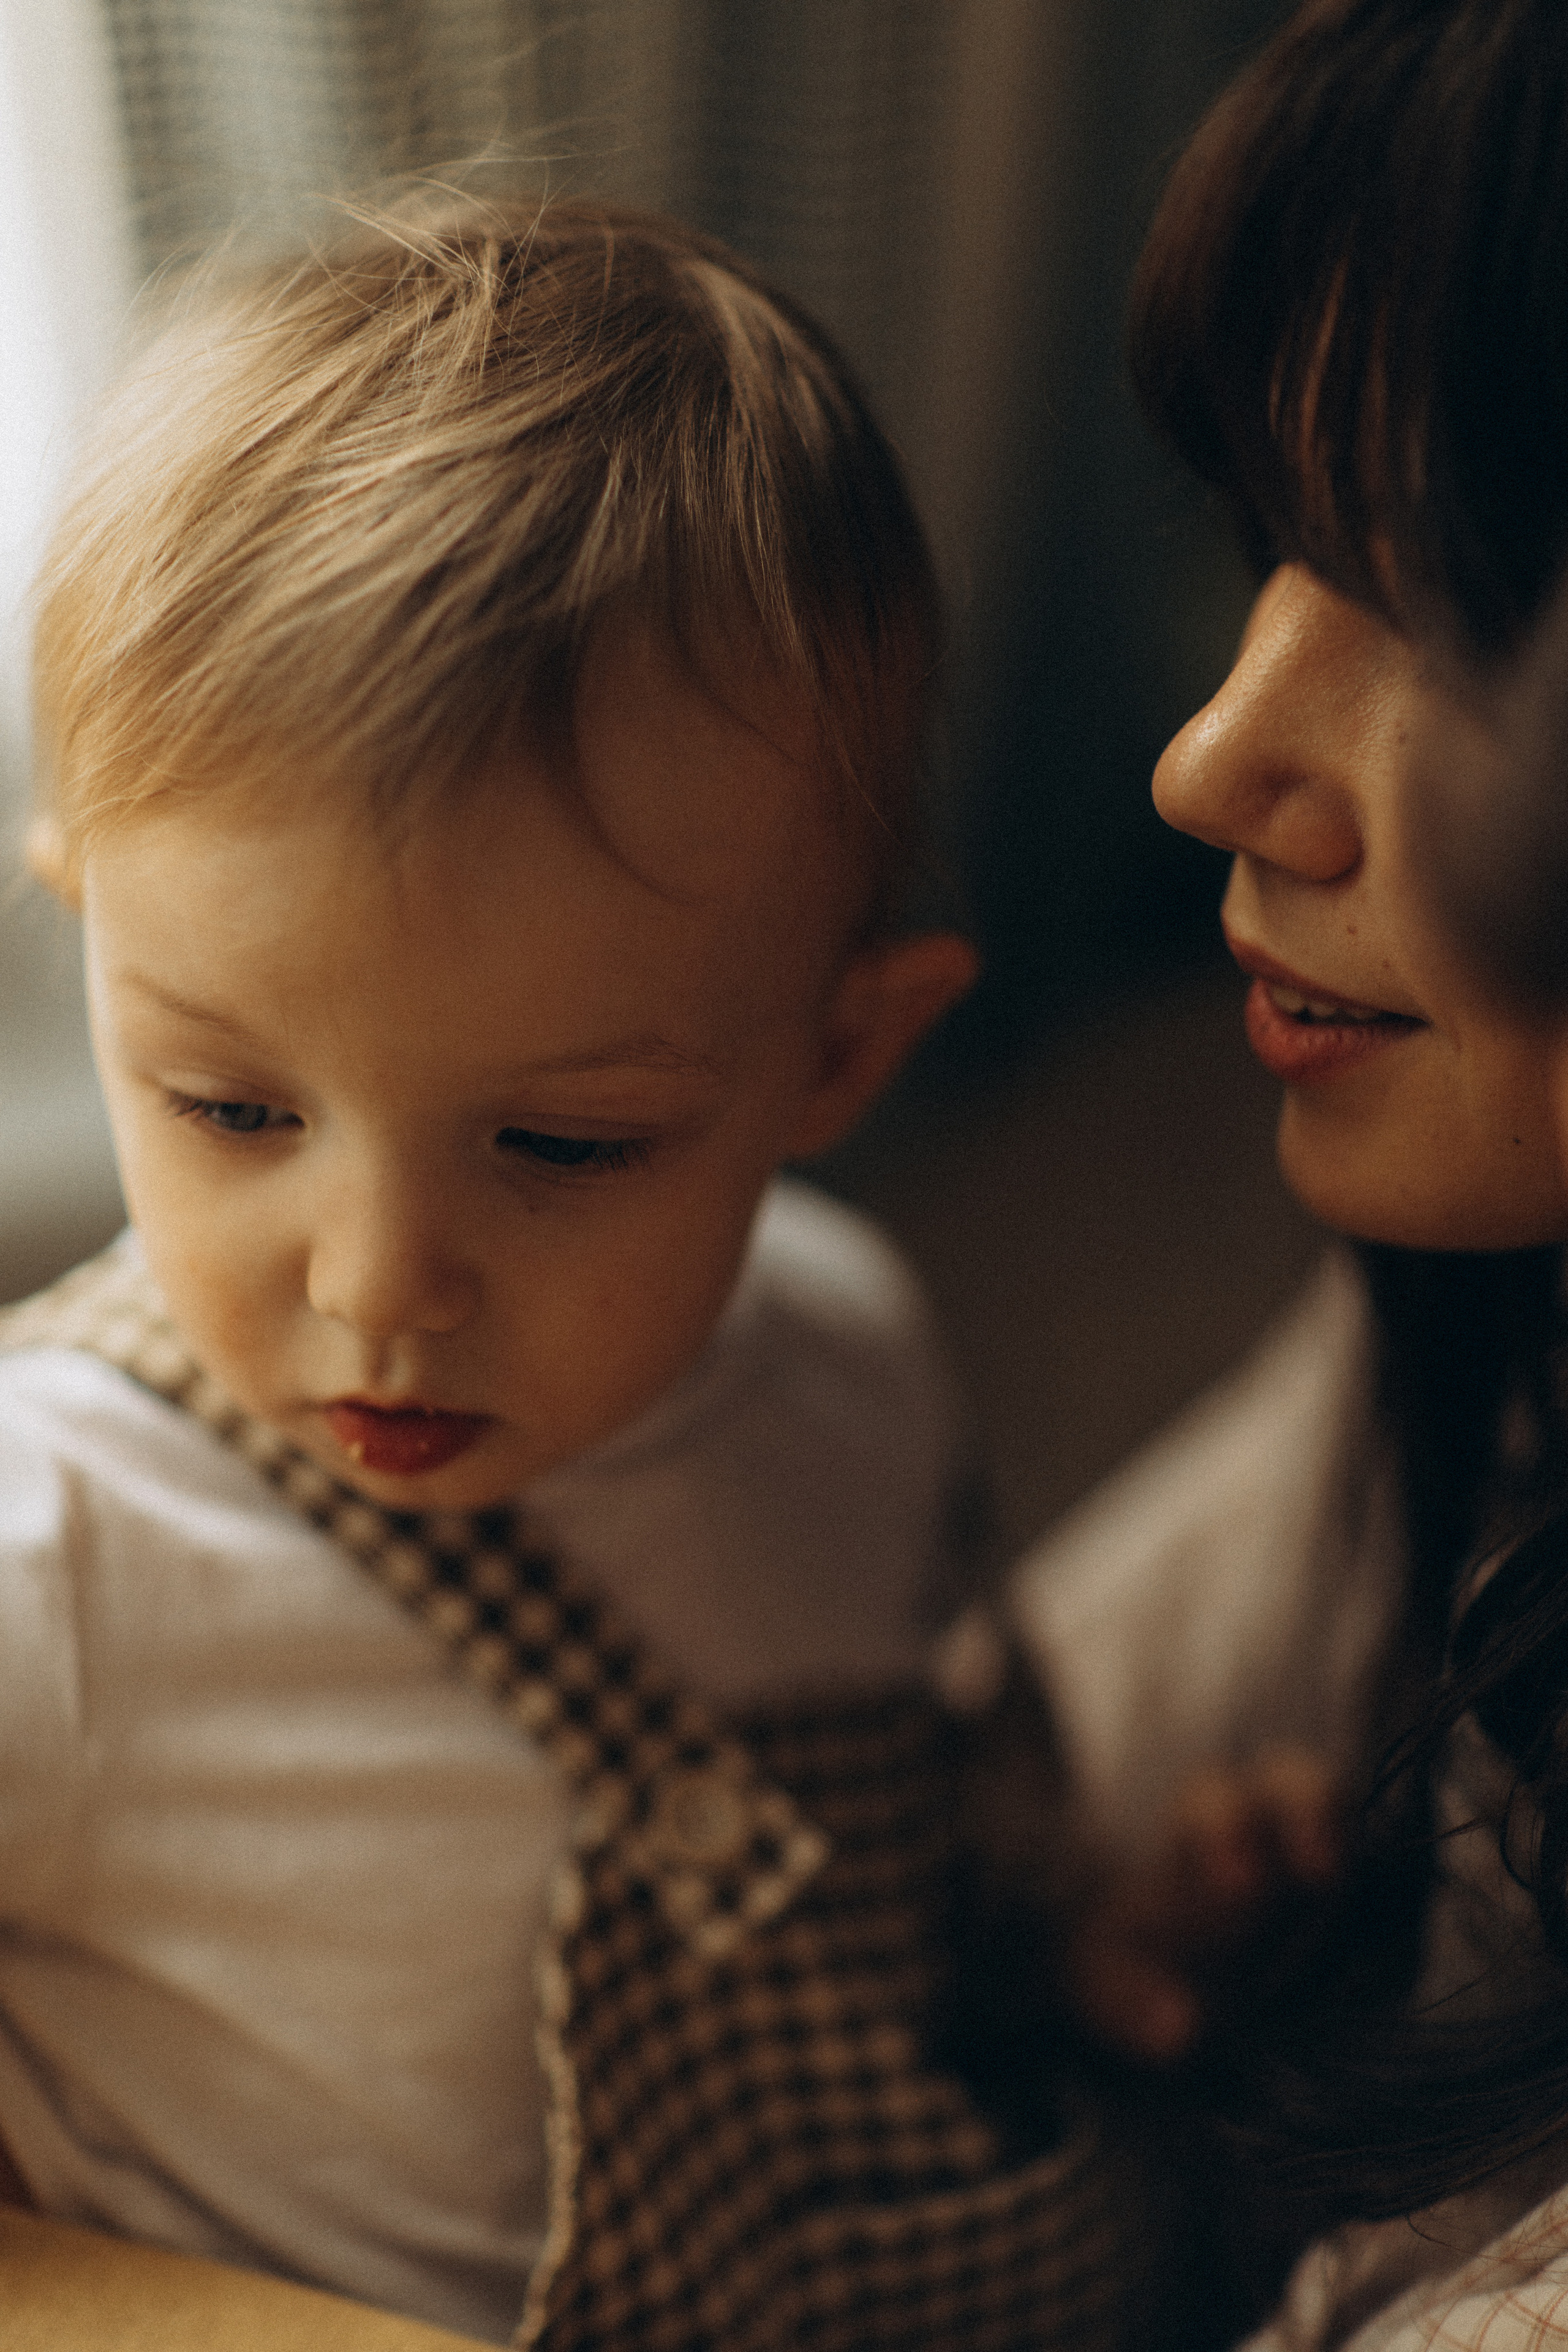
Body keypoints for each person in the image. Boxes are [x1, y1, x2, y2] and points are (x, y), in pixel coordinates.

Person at [0, 197, 1138, 2350]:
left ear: (842, 1050)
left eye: (564, 1145)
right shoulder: (59, 1544)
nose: (383, 1277)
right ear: (91, 939)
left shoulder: (857, 1363)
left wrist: (1100, 1938)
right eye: (231, 1107)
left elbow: (924, 1903)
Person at [984, 2, 1568, 2345]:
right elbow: (995, 1779)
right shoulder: (1467, 1324)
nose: (1211, 759)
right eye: (1268, 537)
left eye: (1434, 589)